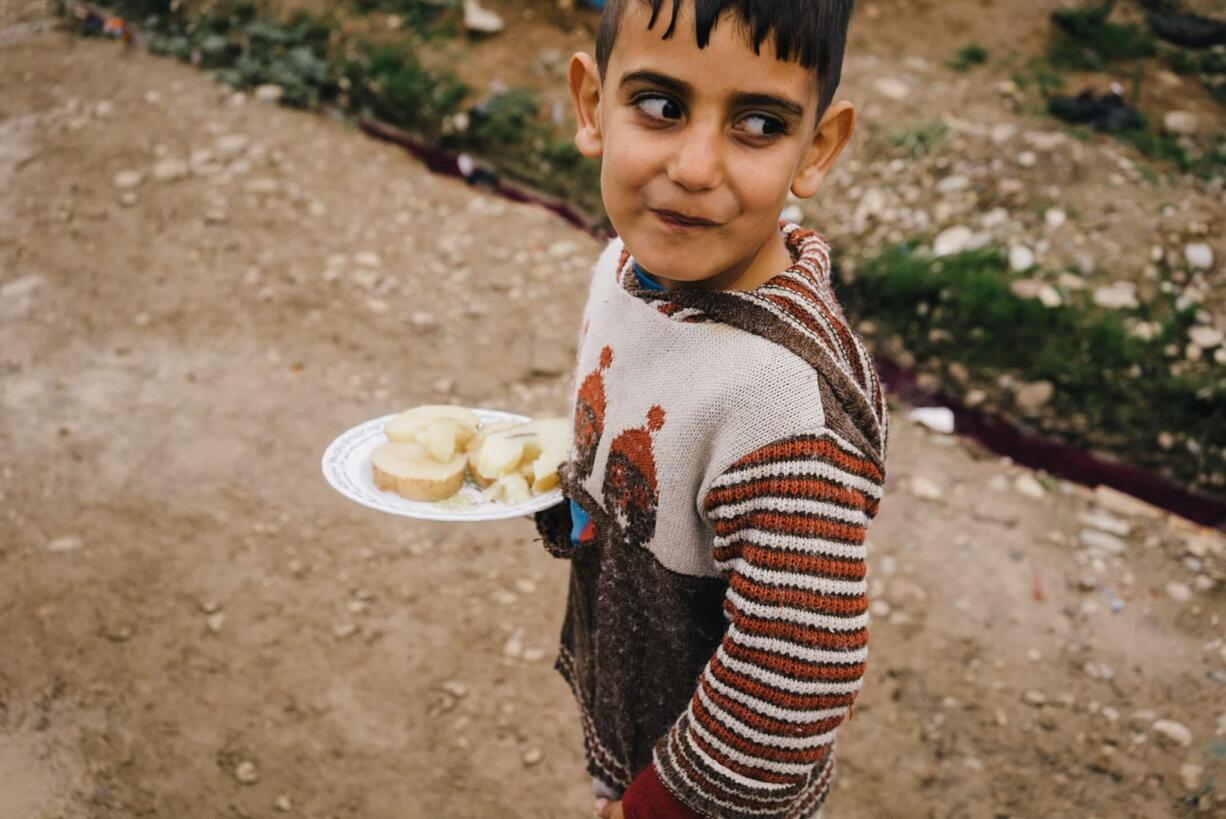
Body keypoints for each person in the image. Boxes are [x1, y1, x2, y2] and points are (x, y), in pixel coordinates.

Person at [533, 2, 889, 817]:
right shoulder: (624, 269)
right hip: (639, 717)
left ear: (818, 148)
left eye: (759, 123)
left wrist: (656, 807)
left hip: (714, 793)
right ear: (592, 105)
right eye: (660, 106)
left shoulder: (784, 404)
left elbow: (795, 675)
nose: (695, 167)